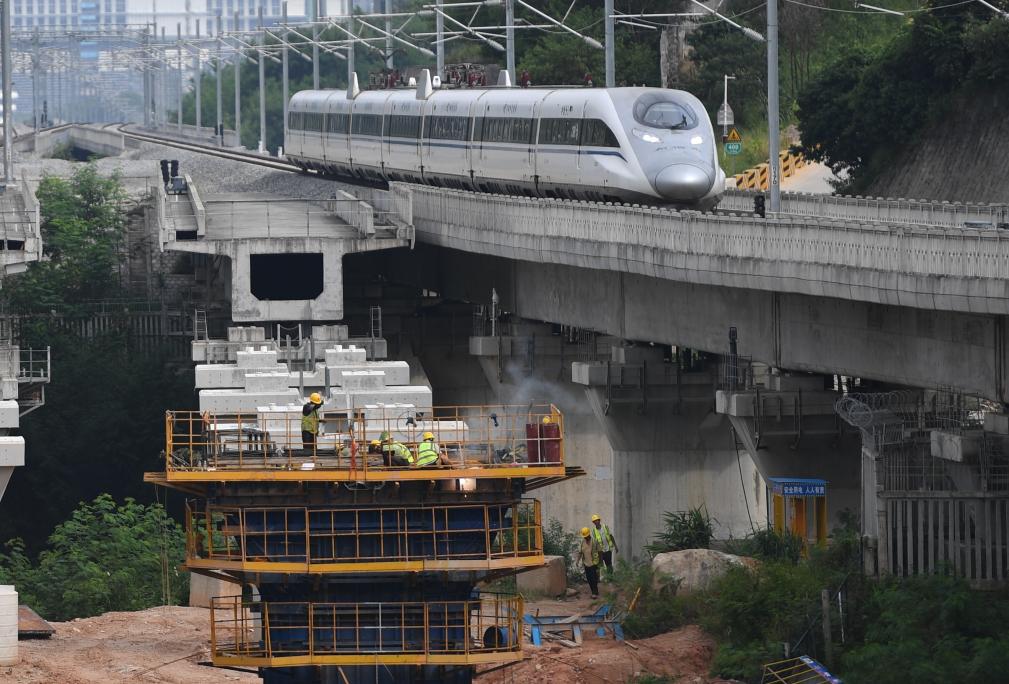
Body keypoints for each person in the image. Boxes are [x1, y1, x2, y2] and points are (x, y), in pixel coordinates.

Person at [578, 527, 601, 598]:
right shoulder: (582, 542)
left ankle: (595, 593)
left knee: (594, 578)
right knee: (589, 579)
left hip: (593, 563)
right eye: (584, 536)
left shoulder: (594, 541)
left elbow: (600, 551)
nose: (585, 537)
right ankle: (593, 591)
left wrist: (600, 561)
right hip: (586, 563)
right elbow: (580, 552)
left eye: (586, 536)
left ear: (589, 535)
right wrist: (577, 561)